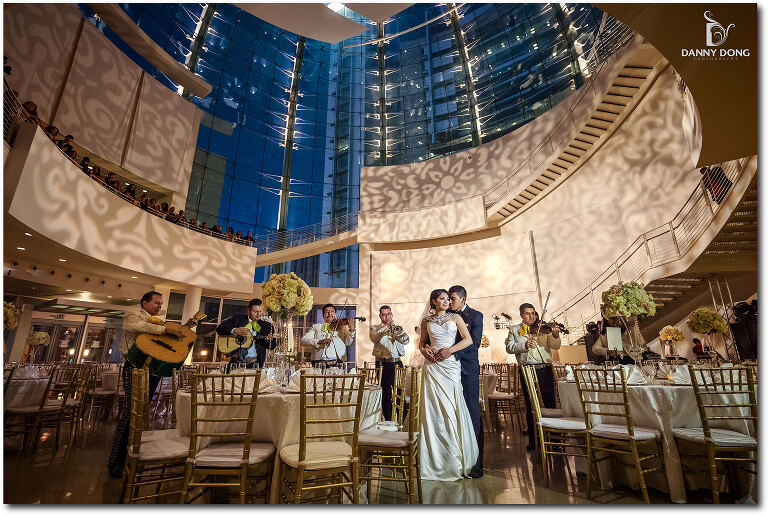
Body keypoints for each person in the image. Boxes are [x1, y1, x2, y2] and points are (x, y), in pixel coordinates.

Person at [107, 291, 193, 478]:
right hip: (134, 367)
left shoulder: (160, 323)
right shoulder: (133, 315)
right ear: (144, 303)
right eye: (156, 302)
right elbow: (136, 326)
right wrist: (165, 330)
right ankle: (115, 461)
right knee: (131, 412)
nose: (159, 306)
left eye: (161, 303)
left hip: (154, 369)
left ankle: (133, 455)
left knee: (142, 413)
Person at [421, 285, 484, 477]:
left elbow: (473, 342)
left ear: (462, 299)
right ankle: (438, 457)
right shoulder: (429, 320)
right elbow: (423, 342)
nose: (449, 301)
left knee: (470, 413)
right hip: (436, 366)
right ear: (434, 301)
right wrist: (425, 349)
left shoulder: (473, 316)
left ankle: (474, 463)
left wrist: (450, 351)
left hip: (462, 368)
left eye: (451, 298)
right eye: (445, 298)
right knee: (437, 410)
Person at [505, 302, 561, 451]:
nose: (531, 317)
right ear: (521, 315)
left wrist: (555, 335)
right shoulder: (515, 329)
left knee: (550, 402)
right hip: (526, 369)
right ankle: (533, 439)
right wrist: (524, 345)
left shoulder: (545, 329)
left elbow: (555, 346)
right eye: (528, 314)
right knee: (530, 404)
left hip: (544, 368)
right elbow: (509, 347)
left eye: (533, 314)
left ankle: (555, 439)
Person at [369, 305, 408, 421]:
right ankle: (388, 420)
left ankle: (402, 420)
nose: (387, 317)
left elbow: (406, 341)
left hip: (397, 364)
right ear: (380, 316)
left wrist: (397, 331)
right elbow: (374, 338)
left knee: (399, 392)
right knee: (385, 394)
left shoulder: (398, 328)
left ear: (392, 314)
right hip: (382, 364)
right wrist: (385, 328)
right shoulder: (375, 328)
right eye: (384, 315)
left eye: (389, 314)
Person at [215, 298, 275, 368]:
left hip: (256, 364)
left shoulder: (267, 326)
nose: (259, 314)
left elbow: (272, 346)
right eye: (255, 311)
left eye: (260, 311)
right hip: (236, 363)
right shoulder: (238, 319)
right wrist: (235, 330)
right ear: (248, 311)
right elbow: (219, 328)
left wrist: (268, 340)